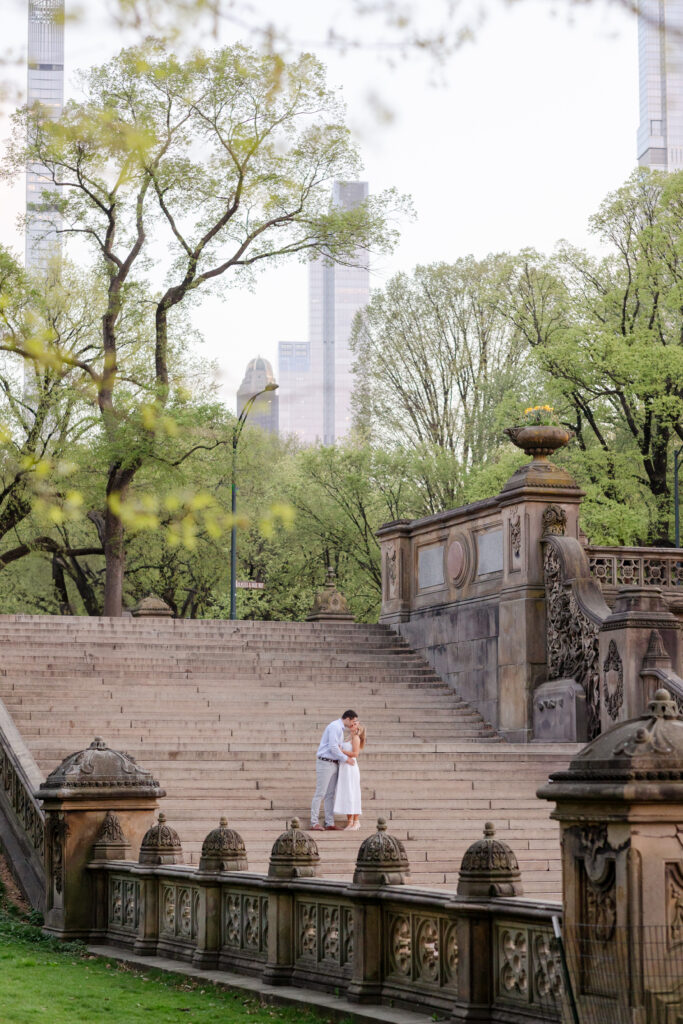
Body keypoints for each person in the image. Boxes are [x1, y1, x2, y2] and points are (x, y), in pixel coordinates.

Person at [310, 710, 358, 831]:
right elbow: (333, 747)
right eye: (353, 721)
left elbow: (338, 747)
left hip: (333, 763)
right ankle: (314, 822)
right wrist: (346, 758)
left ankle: (329, 822)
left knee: (330, 795)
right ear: (347, 718)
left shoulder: (340, 729)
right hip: (325, 762)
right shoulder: (335, 726)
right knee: (320, 793)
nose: (353, 723)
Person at [333, 721, 366, 830]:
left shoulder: (356, 738)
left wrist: (342, 751)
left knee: (353, 792)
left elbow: (356, 754)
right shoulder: (347, 738)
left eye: (355, 723)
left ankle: (356, 821)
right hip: (344, 767)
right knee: (347, 793)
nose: (352, 724)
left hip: (351, 767)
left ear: (358, 727)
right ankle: (350, 821)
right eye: (352, 723)